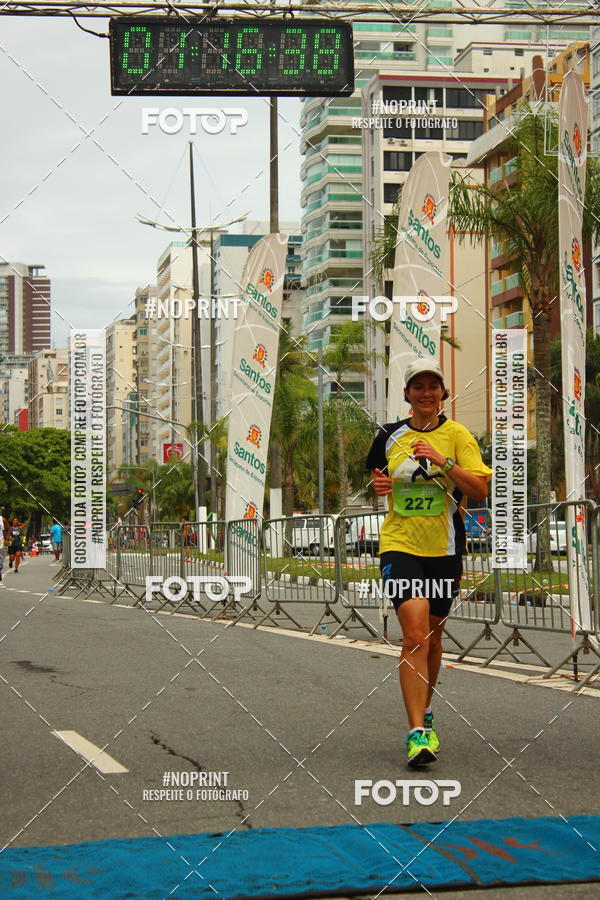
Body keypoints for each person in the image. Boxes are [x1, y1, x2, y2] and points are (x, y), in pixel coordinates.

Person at [366, 359, 492, 767]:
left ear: (442, 393)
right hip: (400, 545)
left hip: (444, 550)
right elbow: (376, 480)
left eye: (432, 387)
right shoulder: (389, 435)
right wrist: (378, 485)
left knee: (433, 639)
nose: (425, 393)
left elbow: (480, 489)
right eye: (417, 387)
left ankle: (427, 707)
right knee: (415, 635)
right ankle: (417, 732)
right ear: (407, 394)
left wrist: (443, 460)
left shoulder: (457, 435)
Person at [0, 513, 8, 582]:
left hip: (0, 541)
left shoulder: (2, 519)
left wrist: (6, 539)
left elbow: (7, 529)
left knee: (0, 559)